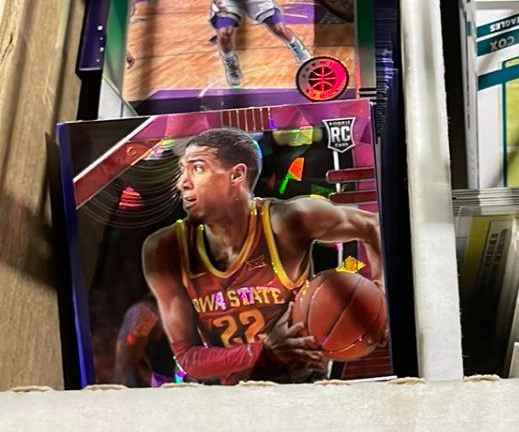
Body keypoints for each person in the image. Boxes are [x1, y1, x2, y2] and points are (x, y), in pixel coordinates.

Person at [142, 128, 383, 383]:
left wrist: (384, 296)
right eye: (183, 170)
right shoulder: (166, 248)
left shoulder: (287, 221)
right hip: (227, 396)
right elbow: (189, 359)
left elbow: (374, 225)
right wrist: (260, 350)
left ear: (237, 175)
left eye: (197, 169)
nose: (182, 183)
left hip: (300, 387)